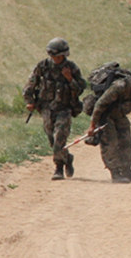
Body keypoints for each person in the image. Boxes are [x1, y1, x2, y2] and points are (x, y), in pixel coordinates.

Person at [22, 38, 86, 180]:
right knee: (52, 140)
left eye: (59, 56)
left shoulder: (71, 68)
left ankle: (58, 168)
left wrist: (69, 79)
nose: (56, 59)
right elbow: (29, 85)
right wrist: (30, 101)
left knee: (59, 140)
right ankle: (67, 158)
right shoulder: (43, 66)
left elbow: (80, 88)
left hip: (64, 108)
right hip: (46, 109)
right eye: (54, 56)